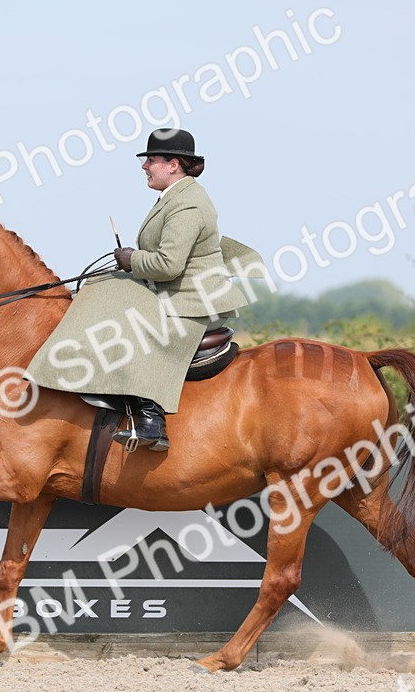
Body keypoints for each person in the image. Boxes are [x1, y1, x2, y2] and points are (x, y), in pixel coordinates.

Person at [26, 128, 258, 452]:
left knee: (124, 313)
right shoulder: (175, 197)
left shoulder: (187, 204)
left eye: (150, 159)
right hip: (174, 290)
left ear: (173, 164)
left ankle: (152, 420)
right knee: (101, 287)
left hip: (189, 299)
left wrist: (132, 258)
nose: (144, 166)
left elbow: (168, 265)